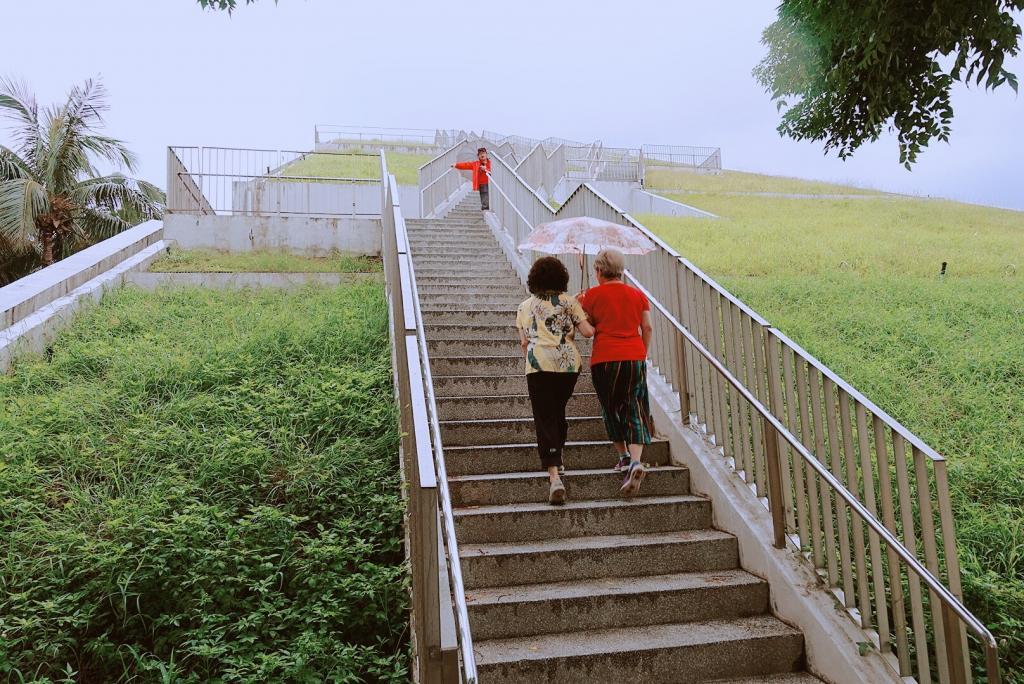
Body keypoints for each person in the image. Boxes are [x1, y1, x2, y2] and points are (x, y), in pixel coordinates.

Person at [516, 256, 595, 505]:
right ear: (562, 277)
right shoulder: (570, 302)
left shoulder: (524, 307)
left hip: (539, 365)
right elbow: (587, 332)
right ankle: (558, 459)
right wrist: (586, 314)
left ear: (534, 279)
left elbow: (524, 342)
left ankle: (554, 477)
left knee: (544, 416)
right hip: (568, 366)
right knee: (557, 411)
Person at [577, 248, 654, 497]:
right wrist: (642, 353)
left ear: (598, 271)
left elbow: (586, 327)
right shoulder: (637, 295)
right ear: (621, 271)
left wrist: (580, 306)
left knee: (610, 407)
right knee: (635, 408)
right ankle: (635, 461)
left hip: (605, 360)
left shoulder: (591, 295)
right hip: (634, 356)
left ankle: (622, 456)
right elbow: (647, 327)